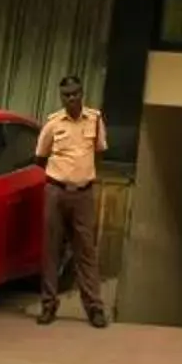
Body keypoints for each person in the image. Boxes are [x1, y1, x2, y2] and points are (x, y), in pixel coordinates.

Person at [33, 73, 108, 327]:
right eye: (67, 95)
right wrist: (61, 178)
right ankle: (48, 305)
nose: (72, 98)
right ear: (61, 97)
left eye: (76, 93)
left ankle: (95, 308)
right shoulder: (53, 124)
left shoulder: (95, 120)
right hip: (56, 192)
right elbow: (40, 157)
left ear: (82, 93)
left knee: (86, 250)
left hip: (84, 194)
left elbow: (99, 153)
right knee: (51, 248)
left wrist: (84, 176)